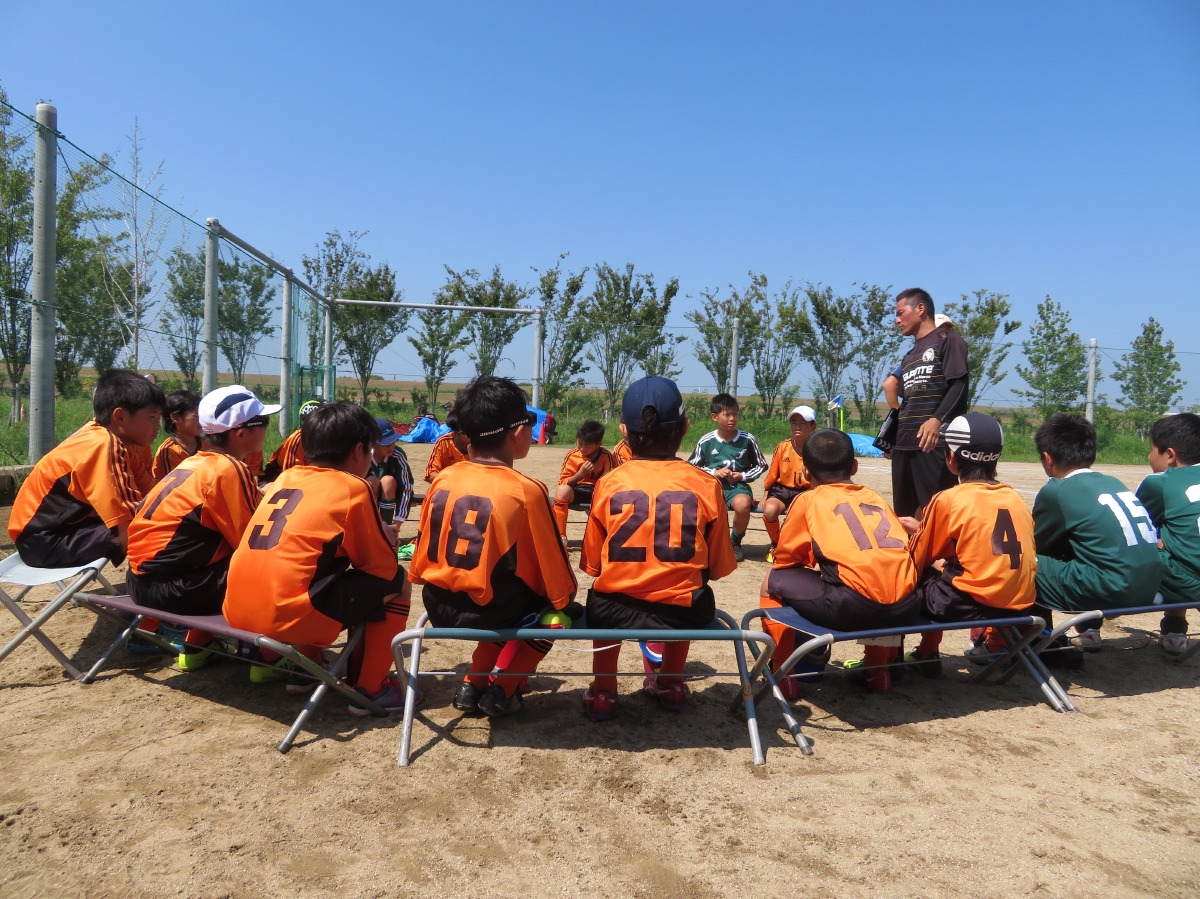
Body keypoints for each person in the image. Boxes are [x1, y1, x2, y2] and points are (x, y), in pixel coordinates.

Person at [224, 402, 412, 714]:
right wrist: (384, 537)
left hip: (235, 608)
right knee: (398, 582)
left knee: (314, 573)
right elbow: (380, 567)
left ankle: (305, 671)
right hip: (285, 618)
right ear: (358, 451)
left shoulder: (286, 477)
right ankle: (372, 689)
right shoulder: (354, 487)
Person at [409, 376, 577, 719]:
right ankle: (505, 688)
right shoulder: (526, 489)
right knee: (557, 610)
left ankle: (472, 682)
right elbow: (554, 573)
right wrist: (565, 598)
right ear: (518, 433)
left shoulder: (444, 479)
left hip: (437, 602)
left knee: (502, 587)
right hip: (489, 610)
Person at [579, 376, 737, 720]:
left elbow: (592, 565)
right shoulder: (706, 484)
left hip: (614, 610)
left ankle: (604, 691)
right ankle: (671, 682)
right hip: (683, 612)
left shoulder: (607, 483)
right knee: (693, 588)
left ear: (623, 431)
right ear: (686, 427)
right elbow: (718, 567)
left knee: (602, 594)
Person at [759, 429, 920, 694]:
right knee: (883, 580)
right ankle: (877, 671)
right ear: (854, 467)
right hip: (906, 606)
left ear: (806, 473)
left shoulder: (808, 499)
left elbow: (787, 561)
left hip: (853, 609)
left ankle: (782, 673)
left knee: (772, 580)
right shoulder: (874, 496)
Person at [127, 385, 277, 670]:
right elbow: (252, 544)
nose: (266, 429)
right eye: (264, 423)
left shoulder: (197, 462)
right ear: (240, 434)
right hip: (173, 590)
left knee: (222, 551)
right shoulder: (228, 469)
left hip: (142, 582)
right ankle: (266, 657)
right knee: (278, 564)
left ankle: (199, 646)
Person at [902, 413, 1036, 675]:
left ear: (951, 458)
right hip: (1020, 603)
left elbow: (918, 557)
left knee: (904, 577)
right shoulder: (1014, 497)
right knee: (948, 568)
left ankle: (918, 655)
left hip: (970, 606)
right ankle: (992, 644)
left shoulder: (949, 498)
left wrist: (918, 534)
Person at [9, 369, 164, 568]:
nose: (158, 426)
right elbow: (128, 517)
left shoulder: (115, 440)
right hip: (43, 542)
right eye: (152, 417)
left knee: (153, 524)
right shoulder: (103, 444)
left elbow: (149, 492)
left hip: (49, 534)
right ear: (120, 417)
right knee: (147, 531)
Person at [1032, 413, 1162, 651]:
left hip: (1112, 591)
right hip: (1149, 586)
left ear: (1047, 458)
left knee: (1022, 562)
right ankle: (1087, 630)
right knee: (1085, 551)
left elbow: (1037, 544)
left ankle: (1037, 641)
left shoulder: (1057, 490)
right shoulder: (1113, 482)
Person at [889, 290, 969, 518]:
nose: (897, 320)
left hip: (932, 444)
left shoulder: (948, 340)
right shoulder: (909, 355)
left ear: (920, 309)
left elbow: (959, 384)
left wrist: (937, 420)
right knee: (904, 515)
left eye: (900, 313)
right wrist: (891, 436)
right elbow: (907, 400)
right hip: (904, 445)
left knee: (936, 512)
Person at [1135, 413, 1200, 655]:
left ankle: (1089, 627)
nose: (1149, 457)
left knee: (1130, 543)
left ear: (1170, 455)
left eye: (1151, 450)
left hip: (1189, 583)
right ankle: (1174, 631)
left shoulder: (1160, 482)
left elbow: (1133, 530)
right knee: (1176, 537)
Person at [687, 393, 767, 562]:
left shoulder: (747, 439)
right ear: (715, 417)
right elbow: (692, 466)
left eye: (735, 414)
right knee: (695, 505)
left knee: (743, 505)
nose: (732, 418)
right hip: (711, 486)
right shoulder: (706, 440)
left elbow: (761, 465)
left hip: (737, 487)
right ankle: (704, 543)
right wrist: (714, 473)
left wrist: (742, 475)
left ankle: (734, 542)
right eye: (727, 414)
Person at [761, 405, 817, 563]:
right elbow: (772, 474)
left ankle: (796, 547)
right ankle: (777, 544)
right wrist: (765, 496)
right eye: (794, 423)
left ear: (813, 426)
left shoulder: (818, 448)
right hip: (782, 489)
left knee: (795, 512)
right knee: (769, 510)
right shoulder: (783, 447)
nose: (797, 427)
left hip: (806, 492)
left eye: (803, 423)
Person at [553, 419, 618, 538]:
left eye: (587, 446)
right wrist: (580, 474)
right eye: (579, 443)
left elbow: (609, 482)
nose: (582, 449)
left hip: (598, 492)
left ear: (599, 444)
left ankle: (606, 535)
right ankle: (561, 536)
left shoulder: (606, 456)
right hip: (578, 490)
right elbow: (564, 482)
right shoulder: (572, 455)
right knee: (562, 490)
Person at [366, 417, 415, 526]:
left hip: (391, 494)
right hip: (368, 495)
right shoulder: (364, 456)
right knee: (371, 481)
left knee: (388, 481)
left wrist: (398, 521)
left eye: (393, 442)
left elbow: (406, 487)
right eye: (386, 444)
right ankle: (369, 526)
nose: (391, 447)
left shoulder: (398, 454)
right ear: (372, 443)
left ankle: (386, 526)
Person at [151, 390, 202, 480]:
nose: (201, 420)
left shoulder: (207, 445)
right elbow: (172, 484)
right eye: (196, 416)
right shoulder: (168, 450)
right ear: (175, 417)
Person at [422, 409, 469, 483]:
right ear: (455, 434)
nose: (473, 437)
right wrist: (456, 480)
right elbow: (431, 475)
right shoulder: (443, 442)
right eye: (467, 433)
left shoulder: (481, 444)